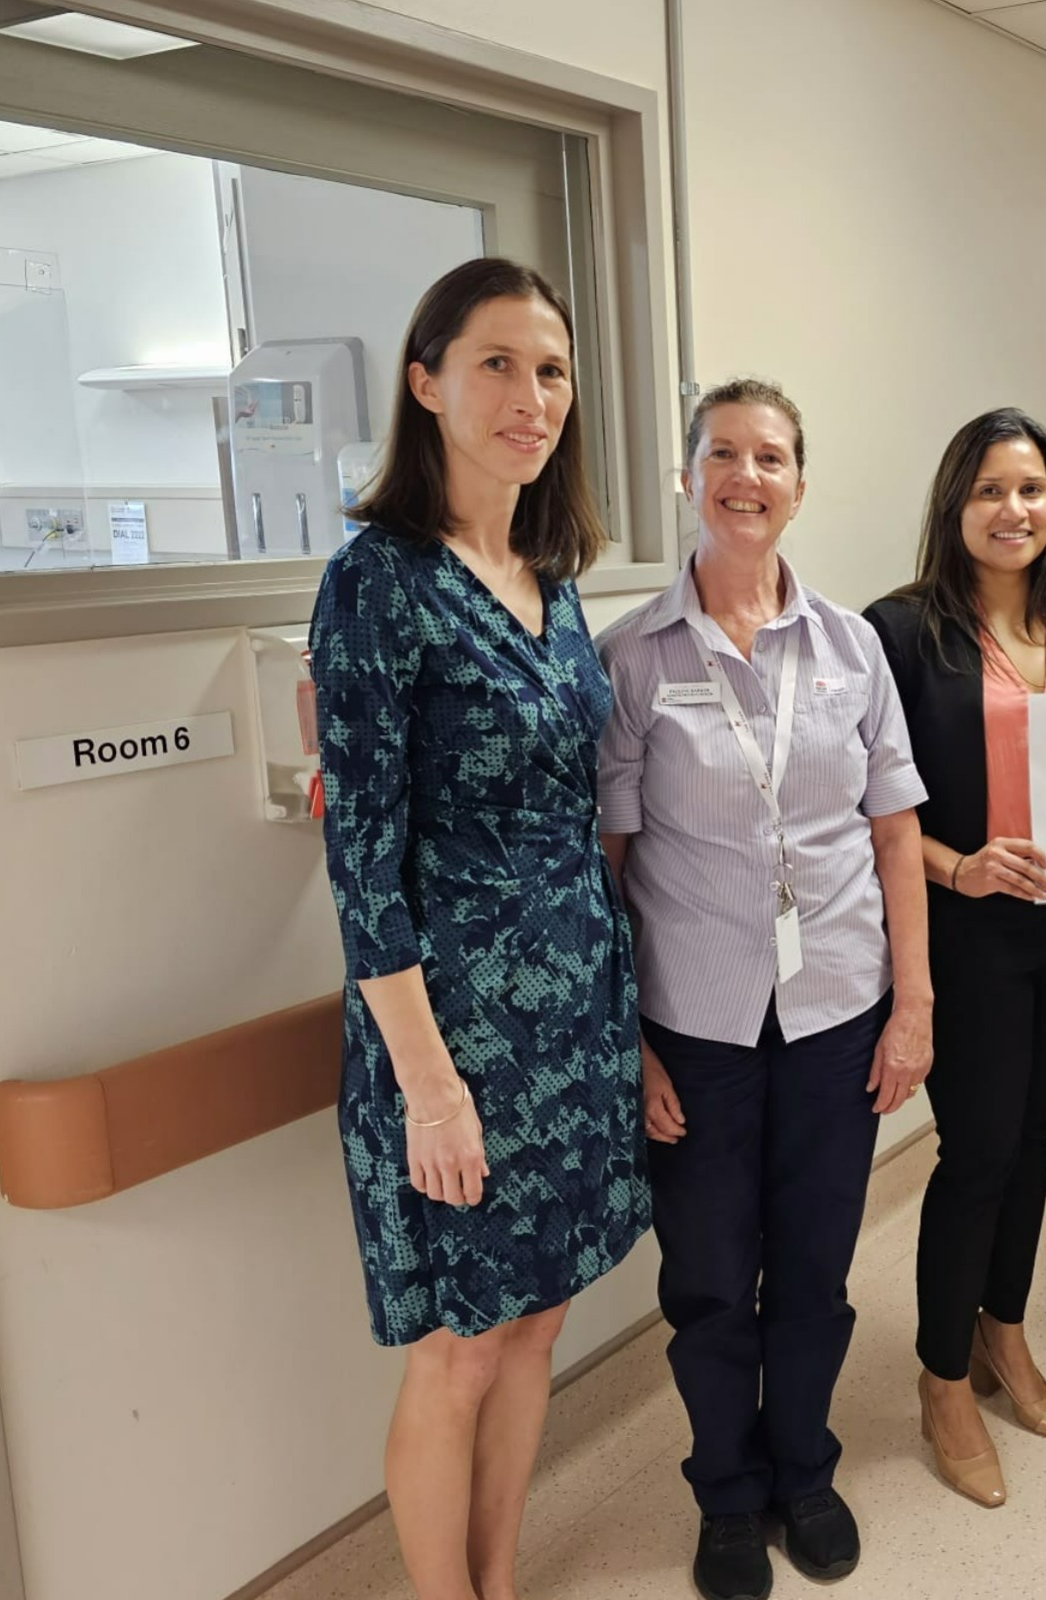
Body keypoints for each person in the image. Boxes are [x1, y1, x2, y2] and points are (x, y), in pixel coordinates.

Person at [310, 257, 649, 1600]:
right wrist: (431, 1087)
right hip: (451, 1035)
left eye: (551, 369)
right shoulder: (379, 583)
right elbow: (361, 862)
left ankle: (499, 1580)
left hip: (573, 1013)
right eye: (497, 363)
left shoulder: (552, 580)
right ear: (426, 382)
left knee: (539, 1319)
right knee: (458, 1340)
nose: (530, 395)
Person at [596, 378, 932, 1600]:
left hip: (839, 1012)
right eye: (724, 454)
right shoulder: (632, 656)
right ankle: (726, 1491)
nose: (748, 475)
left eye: (772, 456)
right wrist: (630, 1043)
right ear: (689, 478)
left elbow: (896, 838)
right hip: (697, 1025)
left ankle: (804, 1467)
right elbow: (610, 868)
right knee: (705, 1279)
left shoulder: (852, 649)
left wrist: (914, 1007)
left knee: (814, 1270)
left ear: (800, 484)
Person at [864, 408, 1046, 1507]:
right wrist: (960, 866)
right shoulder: (902, 632)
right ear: (953, 507)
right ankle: (940, 1377)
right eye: (988, 491)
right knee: (975, 1151)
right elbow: (864, 808)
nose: (1012, 510)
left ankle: (1002, 1335)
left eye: (1030, 489)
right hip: (964, 931)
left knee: (1035, 1134)